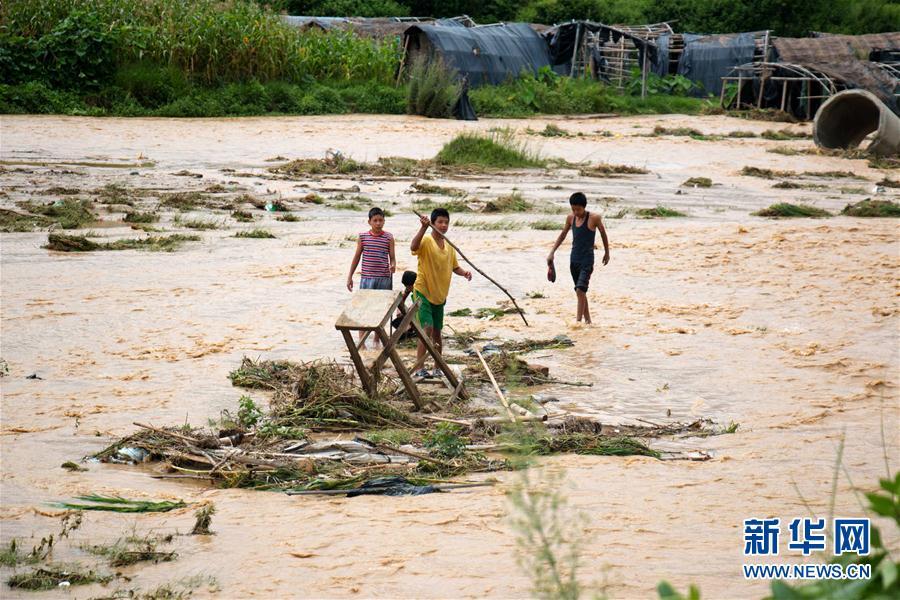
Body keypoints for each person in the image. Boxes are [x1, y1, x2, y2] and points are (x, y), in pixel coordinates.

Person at [410, 208, 472, 378]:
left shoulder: (449, 246)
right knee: (426, 329)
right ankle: (419, 368)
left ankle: (437, 367)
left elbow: (454, 267)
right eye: (440, 222)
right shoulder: (427, 240)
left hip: (440, 295)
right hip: (423, 291)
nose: (443, 225)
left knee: (437, 331)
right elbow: (413, 247)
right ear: (433, 223)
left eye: (446, 222)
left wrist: (464, 272)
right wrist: (422, 228)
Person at [546, 192, 609, 324]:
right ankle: (588, 321)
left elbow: (603, 234)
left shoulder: (594, 218)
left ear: (584, 207)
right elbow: (563, 235)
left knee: (580, 289)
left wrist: (607, 253)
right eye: (573, 209)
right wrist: (552, 252)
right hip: (574, 259)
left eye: (578, 209)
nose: (575, 212)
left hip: (587, 260)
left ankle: (578, 323)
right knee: (580, 291)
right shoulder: (570, 218)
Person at [346, 207, 395, 347]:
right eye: (375, 220)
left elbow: (392, 258)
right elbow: (356, 258)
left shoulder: (389, 237)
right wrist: (350, 277)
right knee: (363, 309)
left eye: (381, 220)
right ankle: (361, 341)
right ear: (369, 222)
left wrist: (393, 266)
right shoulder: (363, 237)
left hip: (384, 278)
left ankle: (376, 340)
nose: (378, 223)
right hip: (367, 278)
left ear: (384, 221)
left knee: (380, 310)